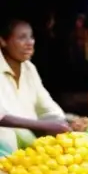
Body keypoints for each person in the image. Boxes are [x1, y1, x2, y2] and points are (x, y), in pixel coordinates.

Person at [0, 19, 72, 154]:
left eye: (31, 37)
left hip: (27, 151)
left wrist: (63, 123)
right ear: (3, 41)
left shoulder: (29, 68)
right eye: (22, 38)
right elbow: (2, 116)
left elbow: (45, 106)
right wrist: (43, 125)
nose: (30, 43)